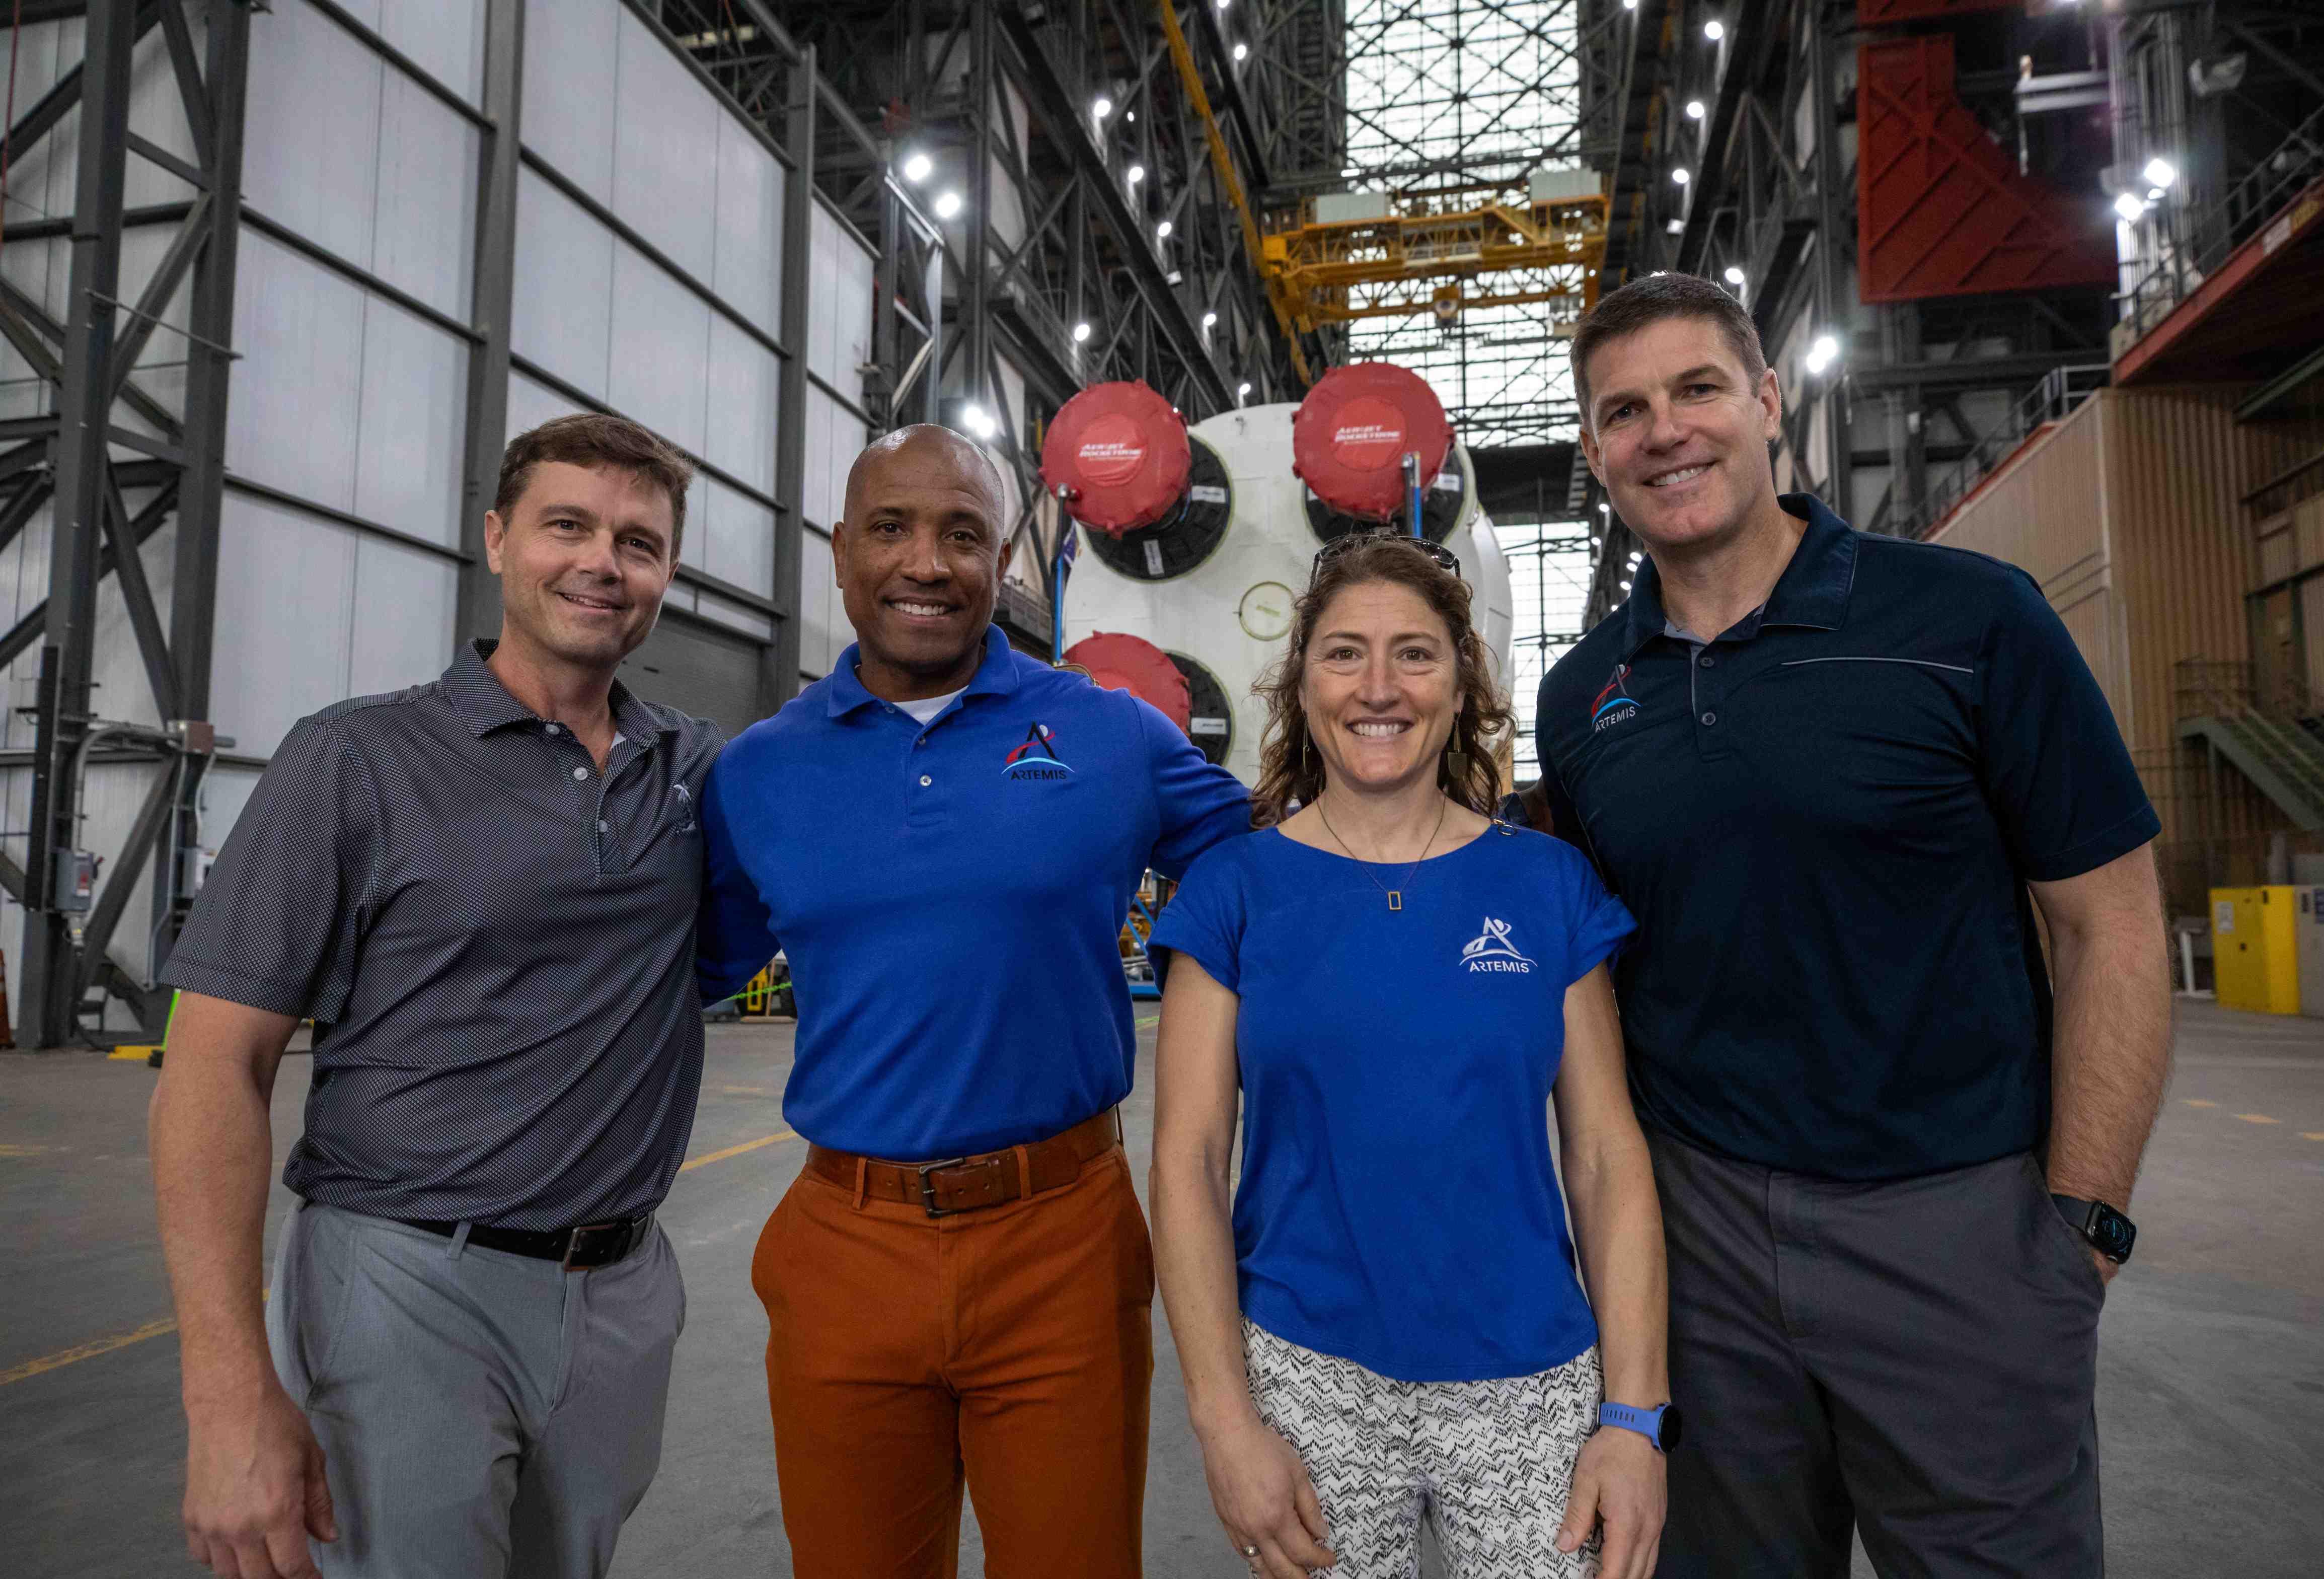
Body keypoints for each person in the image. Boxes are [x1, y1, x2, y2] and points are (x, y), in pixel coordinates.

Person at [1537, 272, 2171, 1578]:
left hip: (1954, 1225)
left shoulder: (1967, 622)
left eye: (1697, 388)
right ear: (1597, 453)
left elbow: (2108, 928)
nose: (1665, 430)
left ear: (1769, 401)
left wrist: (2084, 1226)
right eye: (1624, 410)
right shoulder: (1580, 697)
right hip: (1700, 1245)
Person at [150, 414, 723, 1579]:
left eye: (639, 541)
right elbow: (215, 1066)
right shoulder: (354, 760)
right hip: (408, 1284)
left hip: (622, 1295)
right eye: (568, 525)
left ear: (666, 575)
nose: (602, 561)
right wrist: (225, 1392)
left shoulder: (698, 772)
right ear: (499, 539)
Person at [696, 423, 1251, 1577]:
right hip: (845, 1244)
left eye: (962, 534)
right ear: (839, 549)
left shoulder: (1109, 734)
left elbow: (1285, 875)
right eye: (891, 528)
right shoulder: (757, 772)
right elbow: (669, 970)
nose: (925, 563)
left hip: (1062, 1240)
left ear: (1003, 559)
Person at [1149, 534, 1674, 1579]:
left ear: (1462, 679)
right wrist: (1223, 1422)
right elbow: (1189, 1164)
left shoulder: (1547, 886)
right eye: (1344, 653)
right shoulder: (1232, 891)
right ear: (1300, 682)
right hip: (1309, 1377)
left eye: (1414, 654)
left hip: (1529, 1380)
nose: (1378, 686)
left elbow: (1607, 1158)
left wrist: (1633, 1414)